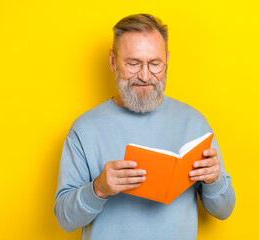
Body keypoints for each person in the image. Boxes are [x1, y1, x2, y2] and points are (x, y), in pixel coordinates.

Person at [54, 13, 235, 240]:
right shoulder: (84, 129)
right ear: (112, 61)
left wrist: (213, 180)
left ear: (167, 60)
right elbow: (64, 219)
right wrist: (98, 189)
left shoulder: (194, 123)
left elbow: (223, 210)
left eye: (155, 63)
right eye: (133, 63)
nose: (145, 75)